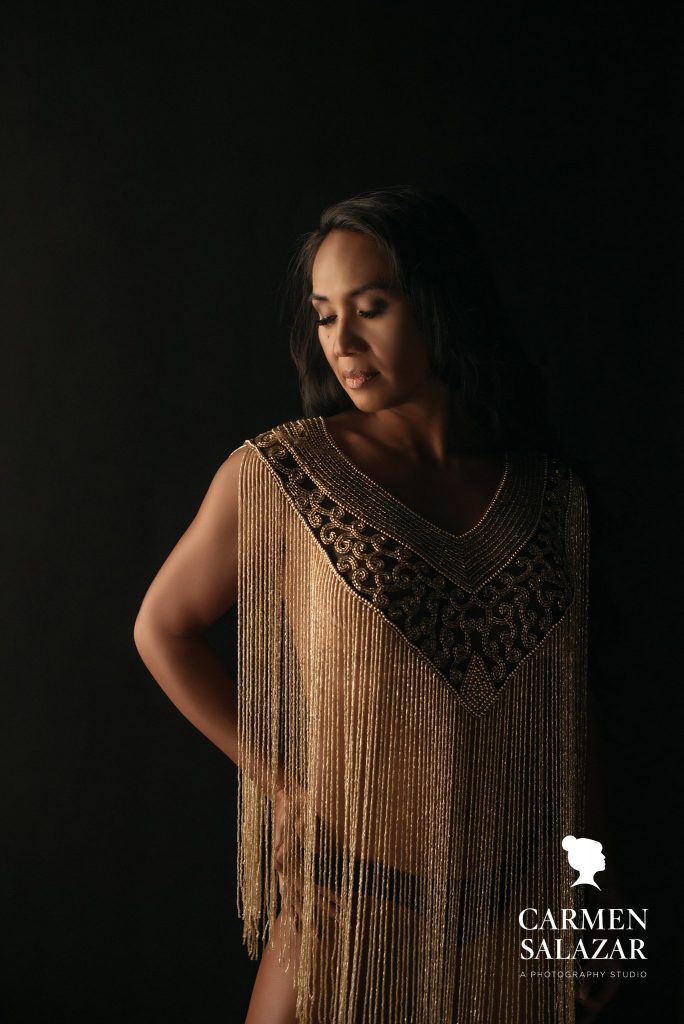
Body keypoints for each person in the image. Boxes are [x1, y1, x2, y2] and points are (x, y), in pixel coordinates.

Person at [134, 187, 616, 1023]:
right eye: (324, 316)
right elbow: (161, 628)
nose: (343, 343)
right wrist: (280, 784)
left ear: (438, 305)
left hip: (517, 913)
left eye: (371, 308)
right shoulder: (283, 471)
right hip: (350, 906)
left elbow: (572, 719)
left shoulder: (553, 498)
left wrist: (592, 894)